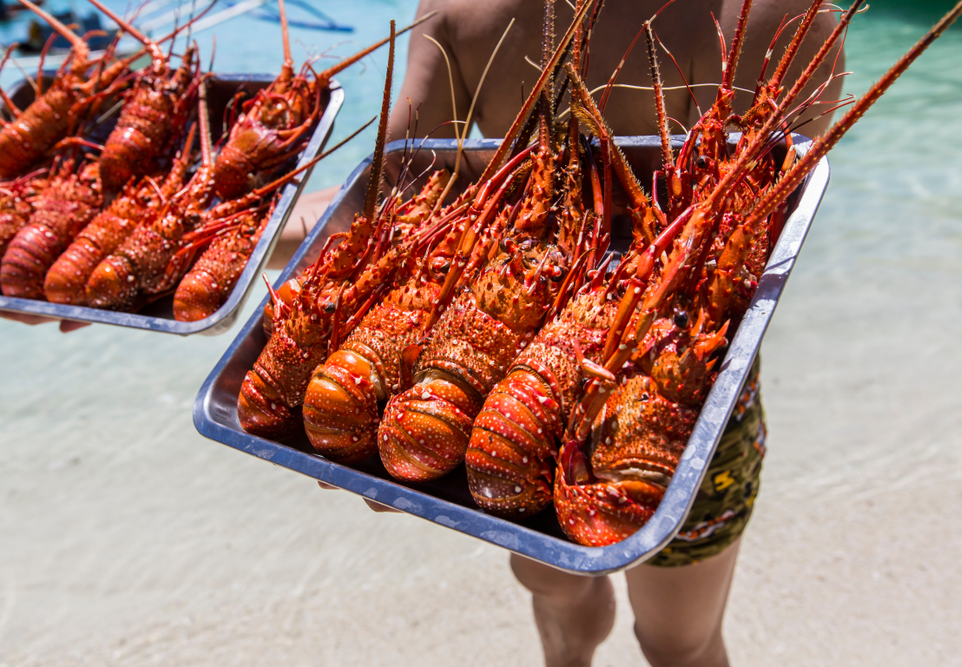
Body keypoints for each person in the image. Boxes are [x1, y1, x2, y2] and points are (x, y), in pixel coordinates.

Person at [292, 2, 843, 667]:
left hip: (500, 400)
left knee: (560, 601)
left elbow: (398, 190)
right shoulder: (786, 19)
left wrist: (269, 233)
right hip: (673, 401)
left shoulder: (457, 12)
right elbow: (759, 234)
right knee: (681, 643)